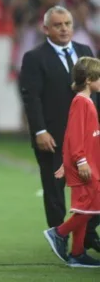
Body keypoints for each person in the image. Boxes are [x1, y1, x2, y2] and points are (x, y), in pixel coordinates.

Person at [20, 6, 100, 252]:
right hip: (52, 135)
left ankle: (85, 234)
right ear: (46, 29)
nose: (64, 28)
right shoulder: (34, 57)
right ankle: (60, 236)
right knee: (54, 190)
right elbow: (31, 97)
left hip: (87, 137)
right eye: (58, 25)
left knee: (92, 188)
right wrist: (39, 131)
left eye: (67, 23)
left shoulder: (85, 51)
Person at [43, 57, 100, 268]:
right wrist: (80, 161)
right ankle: (58, 233)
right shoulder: (81, 101)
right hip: (85, 165)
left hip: (87, 163)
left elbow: (79, 135)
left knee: (84, 210)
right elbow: (75, 135)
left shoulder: (86, 101)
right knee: (89, 208)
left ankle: (77, 253)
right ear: (88, 80)